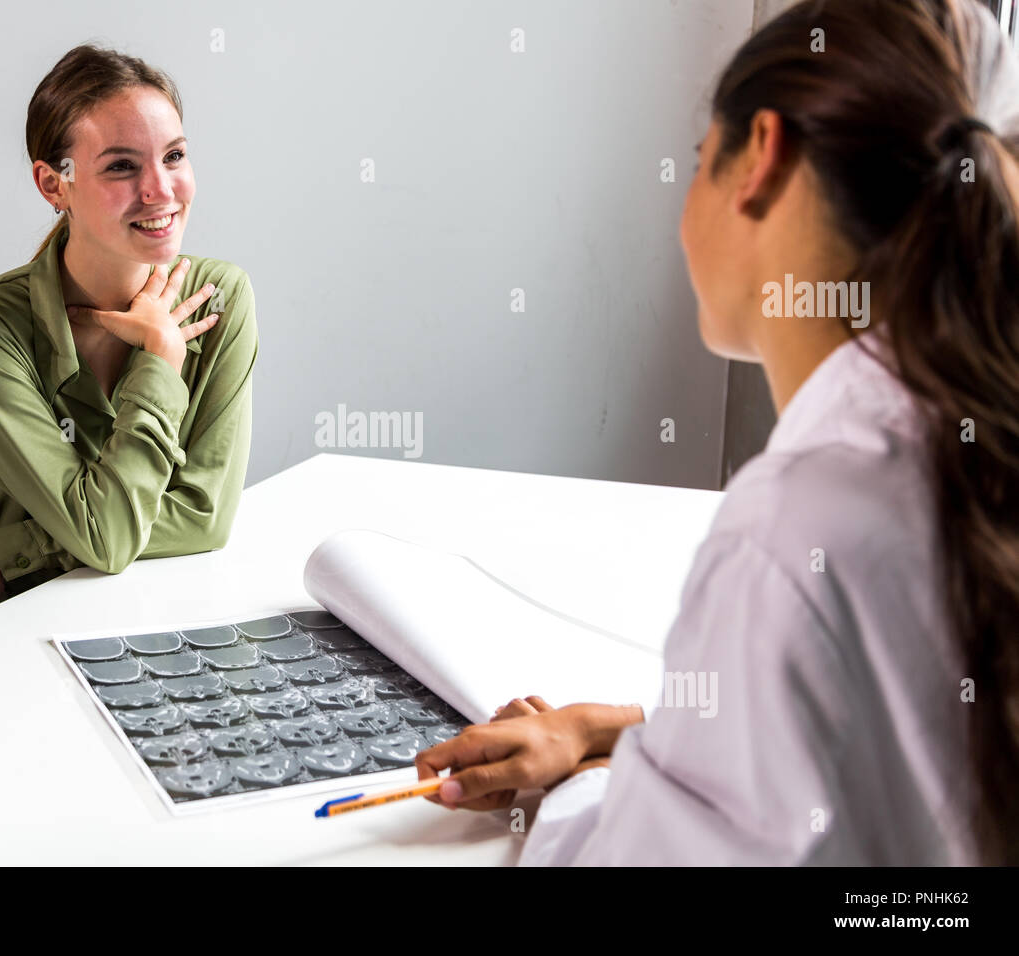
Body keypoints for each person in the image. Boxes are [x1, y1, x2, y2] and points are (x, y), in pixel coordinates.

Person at [416, 0, 1019, 865]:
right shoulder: (961, 438)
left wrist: (585, 785)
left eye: (699, 161)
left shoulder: (798, 522)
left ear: (761, 157)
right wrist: (611, 732)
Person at [0, 45, 258, 657]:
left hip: (142, 595)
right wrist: (160, 359)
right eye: (121, 167)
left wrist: (12, 548)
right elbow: (106, 537)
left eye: (175, 156)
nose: (161, 190)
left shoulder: (220, 297)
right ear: (54, 183)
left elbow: (203, 516)